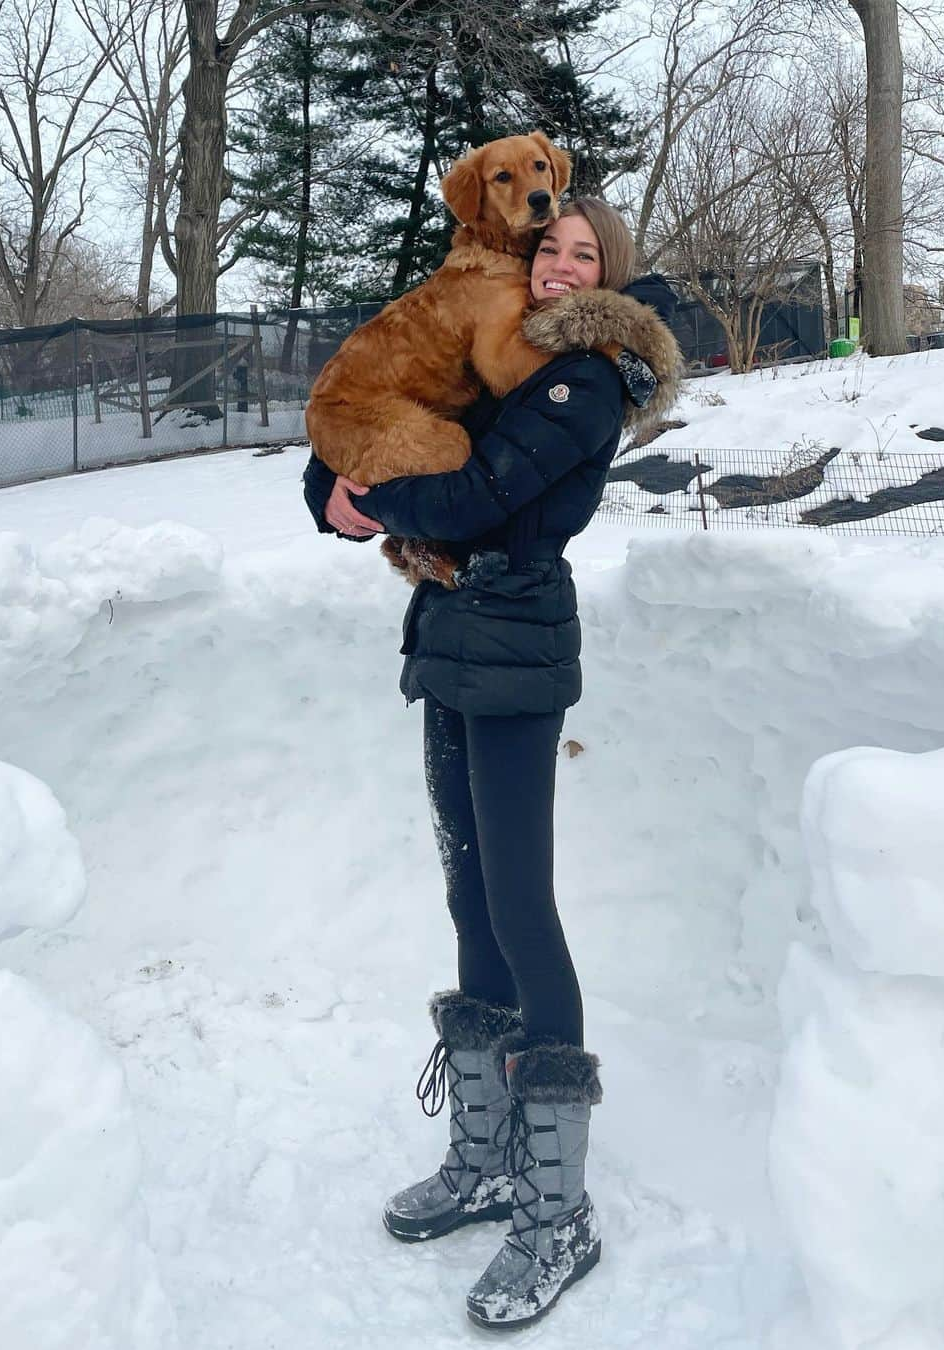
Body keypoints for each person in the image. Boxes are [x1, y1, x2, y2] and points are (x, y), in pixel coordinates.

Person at [303, 198, 680, 1330]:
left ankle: (558, 1210)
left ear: (610, 273)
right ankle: (488, 1156)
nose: (560, 267)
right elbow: (405, 413)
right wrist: (325, 495)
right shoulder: (502, 360)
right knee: (470, 897)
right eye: (547, 250)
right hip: (453, 638)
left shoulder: (584, 379)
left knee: (521, 906)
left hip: (516, 648)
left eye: (584, 254)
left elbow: (471, 493)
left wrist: (366, 500)